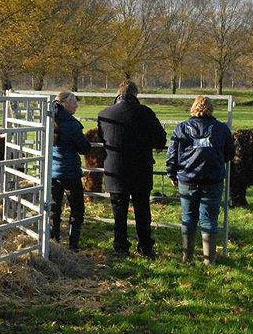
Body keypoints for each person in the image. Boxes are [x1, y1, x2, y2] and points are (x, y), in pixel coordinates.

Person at [97, 81, 167, 258]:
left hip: (115, 169)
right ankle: (145, 246)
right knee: (142, 210)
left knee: (119, 211)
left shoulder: (105, 114)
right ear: (136, 94)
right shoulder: (145, 113)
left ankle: (120, 246)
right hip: (140, 169)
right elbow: (160, 139)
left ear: (117, 93)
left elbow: (102, 138)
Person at [166, 96, 234, 264]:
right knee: (209, 219)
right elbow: (230, 153)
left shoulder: (182, 128)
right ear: (211, 109)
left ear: (193, 108)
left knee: (188, 218)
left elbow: (172, 155)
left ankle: (187, 257)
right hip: (213, 180)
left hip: (187, 179)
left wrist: (171, 174)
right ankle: (208, 260)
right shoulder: (221, 129)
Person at [49, 91, 91, 251]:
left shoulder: (50, 118)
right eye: (73, 101)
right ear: (64, 103)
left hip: (52, 172)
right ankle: (73, 245)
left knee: (54, 208)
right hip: (70, 172)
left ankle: (54, 242)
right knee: (77, 209)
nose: (77, 104)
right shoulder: (71, 124)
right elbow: (84, 147)